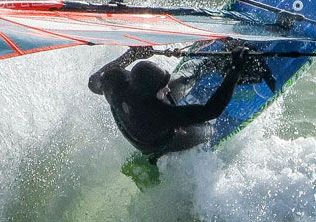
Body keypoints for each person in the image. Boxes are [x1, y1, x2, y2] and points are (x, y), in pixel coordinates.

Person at [87, 42, 257, 163]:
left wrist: (131, 55)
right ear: (149, 95)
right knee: (208, 130)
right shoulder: (158, 114)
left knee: (181, 78)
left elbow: (93, 82)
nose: (167, 90)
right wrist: (236, 70)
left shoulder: (114, 81)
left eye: (164, 84)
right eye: (162, 89)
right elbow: (212, 110)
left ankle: (208, 63)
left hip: (142, 110)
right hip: (158, 142)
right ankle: (172, 150)